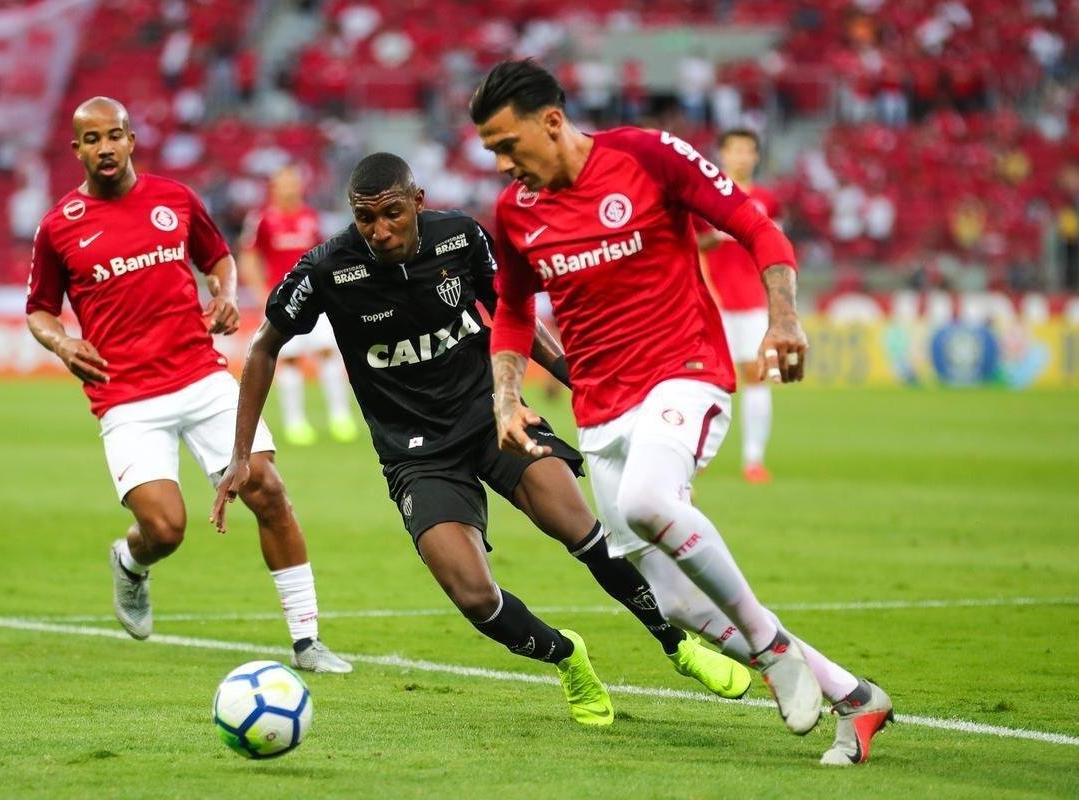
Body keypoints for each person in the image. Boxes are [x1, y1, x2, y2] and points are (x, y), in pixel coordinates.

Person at [212, 152, 751, 727]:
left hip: (495, 416)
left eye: (393, 213)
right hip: (416, 453)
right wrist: (241, 454)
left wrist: (583, 384)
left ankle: (677, 643)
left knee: (583, 531)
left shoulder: (460, 237)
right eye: (366, 218)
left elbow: (513, 314)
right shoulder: (327, 268)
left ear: (417, 201)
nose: (380, 230)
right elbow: (266, 345)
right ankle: (567, 658)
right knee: (474, 596)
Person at [471, 60, 893, 765]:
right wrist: (506, 396)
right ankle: (855, 698)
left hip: (683, 372)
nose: (505, 163)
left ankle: (771, 648)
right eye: (493, 153)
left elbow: (756, 226)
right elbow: (514, 310)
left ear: (552, 121)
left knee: (647, 500)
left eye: (509, 145)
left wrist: (784, 317)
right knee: (675, 604)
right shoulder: (516, 212)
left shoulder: (647, 155)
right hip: (599, 410)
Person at [26, 97, 351, 674]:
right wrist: (62, 342)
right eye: (93, 139)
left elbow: (218, 258)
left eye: (115, 136)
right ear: (76, 149)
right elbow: (39, 311)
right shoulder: (58, 228)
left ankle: (307, 641)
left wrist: (224, 295)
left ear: (132, 140)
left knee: (268, 490)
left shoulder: (174, 199)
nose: (106, 148)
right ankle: (130, 561)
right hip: (125, 396)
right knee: (165, 528)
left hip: (201, 377)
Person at [239, 165, 358, 446]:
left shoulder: (310, 216)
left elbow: (326, 256)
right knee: (288, 360)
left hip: (316, 299)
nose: (289, 188)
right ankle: (295, 423)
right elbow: (248, 257)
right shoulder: (261, 219)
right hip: (282, 300)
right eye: (283, 184)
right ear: (274, 187)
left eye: (293, 183)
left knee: (329, 353)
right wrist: (260, 293)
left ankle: (340, 417)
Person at [697, 129, 780, 483]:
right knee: (702, 379)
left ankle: (753, 459)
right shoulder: (706, 195)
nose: (742, 156)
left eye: (748, 150)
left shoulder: (767, 200)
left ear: (756, 156)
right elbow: (696, 246)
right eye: (735, 150)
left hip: (752, 303)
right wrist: (705, 289)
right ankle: (693, 460)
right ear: (723, 154)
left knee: (755, 377)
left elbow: (773, 250)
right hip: (713, 301)